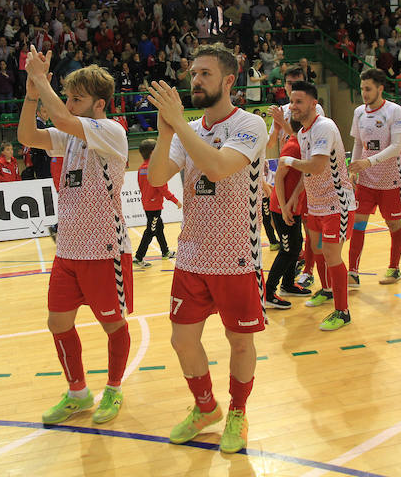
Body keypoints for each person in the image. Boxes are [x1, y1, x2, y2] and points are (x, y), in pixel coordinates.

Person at [146, 43, 267, 454]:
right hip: (192, 255)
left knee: (240, 342)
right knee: (182, 341)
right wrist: (168, 131)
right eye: (193, 73)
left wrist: (179, 125)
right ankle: (205, 407)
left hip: (237, 256)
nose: (195, 81)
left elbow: (217, 166)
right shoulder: (188, 128)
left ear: (229, 80)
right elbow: (158, 175)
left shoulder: (251, 124)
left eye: (205, 74)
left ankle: (238, 412)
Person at [16, 47, 133, 426]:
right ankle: (78, 393)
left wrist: (40, 80)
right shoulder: (70, 136)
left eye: (76, 98)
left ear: (99, 103)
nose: (68, 103)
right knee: (58, 322)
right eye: (67, 96)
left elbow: (63, 118)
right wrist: (34, 92)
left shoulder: (111, 131)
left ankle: (114, 389)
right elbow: (26, 134)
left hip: (104, 249)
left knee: (113, 325)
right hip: (68, 249)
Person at [280, 81, 357, 330]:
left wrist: (289, 161)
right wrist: (294, 197)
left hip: (337, 202)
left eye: (298, 102)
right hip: (315, 204)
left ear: (314, 103)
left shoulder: (324, 127)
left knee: (333, 255)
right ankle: (326, 289)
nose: (293, 107)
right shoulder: (302, 132)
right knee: (317, 248)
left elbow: (316, 166)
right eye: (291, 102)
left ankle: (342, 312)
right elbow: (308, 172)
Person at [347, 68, 401, 287]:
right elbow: (357, 143)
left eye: (368, 89)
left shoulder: (394, 111)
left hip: (391, 180)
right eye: (362, 88)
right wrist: (354, 168)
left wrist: (368, 162)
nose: (364, 93)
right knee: (358, 225)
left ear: (380, 89)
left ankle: (394, 268)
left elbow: (396, 147)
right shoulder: (358, 112)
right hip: (365, 181)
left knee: (393, 225)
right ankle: (353, 272)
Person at [265, 119, 310, 309]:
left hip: (294, 206)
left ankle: (288, 285)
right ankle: (268, 293)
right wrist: (283, 208)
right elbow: (280, 179)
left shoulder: (303, 144)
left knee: (296, 245)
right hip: (280, 207)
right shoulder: (293, 146)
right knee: (287, 250)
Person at [133, 138, 182, 268]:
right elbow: (163, 188)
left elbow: (142, 186)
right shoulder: (156, 169)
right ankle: (139, 257)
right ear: (152, 153)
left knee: (158, 227)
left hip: (147, 204)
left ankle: (165, 251)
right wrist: (175, 201)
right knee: (150, 231)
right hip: (154, 207)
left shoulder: (141, 169)